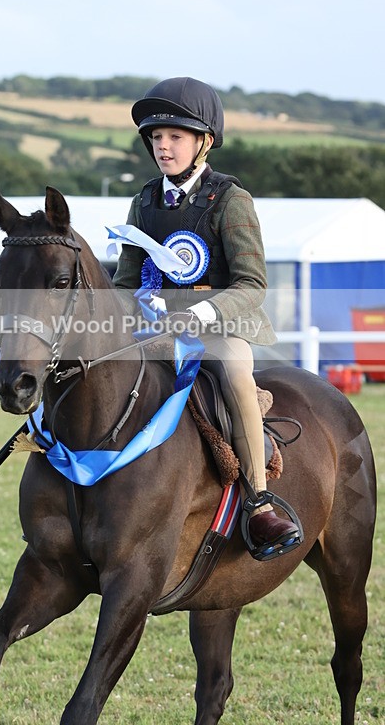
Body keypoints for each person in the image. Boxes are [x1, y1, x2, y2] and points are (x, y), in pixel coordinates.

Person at [113, 76, 300, 557]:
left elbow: (252, 285)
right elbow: (125, 279)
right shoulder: (144, 201)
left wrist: (198, 311)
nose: (163, 146)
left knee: (237, 376)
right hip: (155, 331)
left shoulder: (230, 199)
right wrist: (134, 306)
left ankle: (259, 502)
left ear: (204, 142)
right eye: (156, 138)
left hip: (220, 330)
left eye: (175, 136)